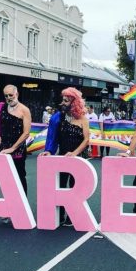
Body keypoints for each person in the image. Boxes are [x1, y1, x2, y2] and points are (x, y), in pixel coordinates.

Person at [41, 87, 91, 227]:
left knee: (75, 187)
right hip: (63, 158)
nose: (62, 103)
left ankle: (73, 214)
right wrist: (49, 151)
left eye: (65, 100)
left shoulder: (83, 119)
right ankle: (60, 215)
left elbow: (86, 140)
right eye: (62, 100)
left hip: (79, 159)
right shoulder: (58, 117)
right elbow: (52, 136)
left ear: (74, 102)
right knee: (61, 186)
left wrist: (75, 153)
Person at [0, 85, 32, 193]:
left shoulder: (25, 110)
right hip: (4, 147)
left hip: (18, 150)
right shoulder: (1, 108)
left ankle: (22, 207)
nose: (9, 98)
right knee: (6, 178)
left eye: (11, 95)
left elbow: (26, 133)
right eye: (6, 96)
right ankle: (10, 205)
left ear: (17, 94)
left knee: (19, 176)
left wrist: (13, 148)